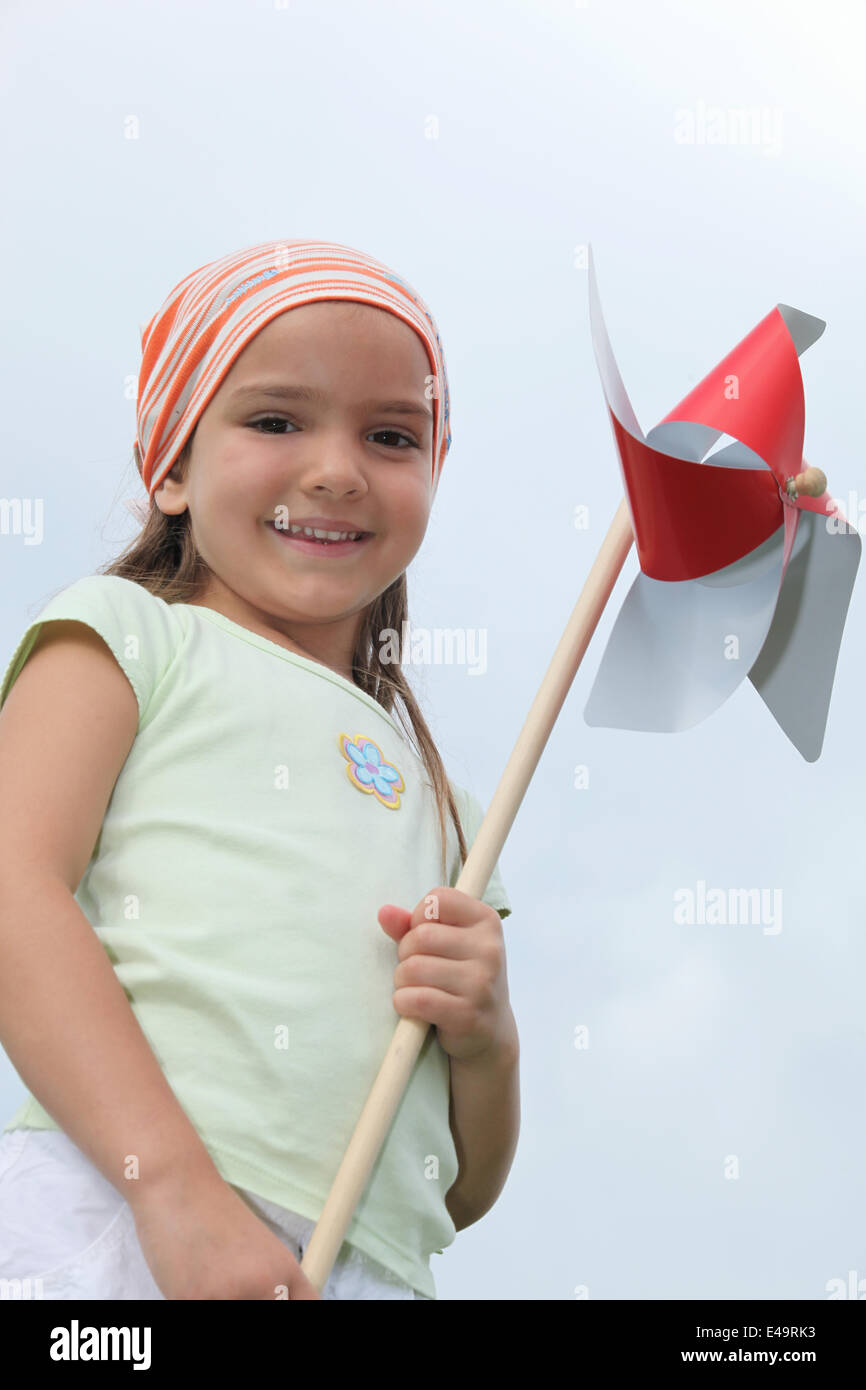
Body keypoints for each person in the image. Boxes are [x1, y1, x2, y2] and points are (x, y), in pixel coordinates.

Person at [0, 238, 519, 1301]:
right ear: (173, 467)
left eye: (390, 435)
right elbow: (14, 887)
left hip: (362, 1269)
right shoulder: (128, 635)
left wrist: (486, 1041)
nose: (336, 468)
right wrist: (172, 1191)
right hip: (121, 1211)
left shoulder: (454, 810)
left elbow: (459, 1189)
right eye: (276, 420)